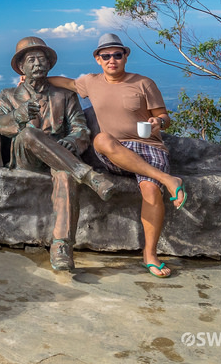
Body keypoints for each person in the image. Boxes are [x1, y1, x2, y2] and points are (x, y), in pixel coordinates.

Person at [49, 32, 186, 278]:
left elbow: (165, 116)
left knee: (150, 190)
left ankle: (150, 256)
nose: (112, 60)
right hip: (115, 151)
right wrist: (30, 78)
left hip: (148, 147)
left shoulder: (144, 83)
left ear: (125, 56)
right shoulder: (91, 82)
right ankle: (168, 180)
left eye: (117, 55)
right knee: (100, 139)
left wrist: (158, 123)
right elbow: (64, 82)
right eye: (106, 56)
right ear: (98, 59)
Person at [0, 36, 116, 271]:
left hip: (60, 157)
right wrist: (19, 115)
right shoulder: (8, 95)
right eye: (31, 60)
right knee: (28, 134)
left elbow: (81, 129)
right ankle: (88, 175)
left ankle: (61, 246)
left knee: (66, 175)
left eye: (42, 59)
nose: (38, 64)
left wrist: (72, 142)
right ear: (21, 68)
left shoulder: (65, 96)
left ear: (49, 64)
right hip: (26, 157)